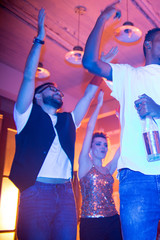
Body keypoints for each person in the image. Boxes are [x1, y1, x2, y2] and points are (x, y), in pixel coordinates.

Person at [82, 2, 160, 239]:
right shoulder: (127, 74)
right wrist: (101, 20)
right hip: (136, 178)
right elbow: (89, 62)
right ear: (148, 44)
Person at [9, 8, 100, 240]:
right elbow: (29, 77)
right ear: (38, 97)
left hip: (67, 193)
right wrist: (40, 38)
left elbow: (88, 96)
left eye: (59, 91)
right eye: (51, 88)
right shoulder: (26, 114)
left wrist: (102, 67)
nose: (58, 92)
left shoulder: (67, 120)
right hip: (36, 191)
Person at [78, 90, 122, 240]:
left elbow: (122, 148)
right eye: (98, 144)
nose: (103, 147)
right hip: (91, 222)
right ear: (90, 147)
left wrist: (121, 120)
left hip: (113, 219)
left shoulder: (108, 169)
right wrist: (99, 105)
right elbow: (89, 129)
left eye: (105, 145)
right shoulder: (85, 164)